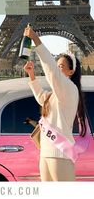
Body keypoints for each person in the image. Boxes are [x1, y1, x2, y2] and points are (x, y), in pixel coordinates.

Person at [23, 25, 87, 182]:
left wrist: (36, 40)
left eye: (61, 67)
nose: (57, 69)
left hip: (60, 153)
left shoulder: (70, 89)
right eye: (57, 66)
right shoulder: (55, 94)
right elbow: (41, 97)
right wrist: (32, 75)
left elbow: (51, 71)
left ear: (71, 72)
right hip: (46, 150)